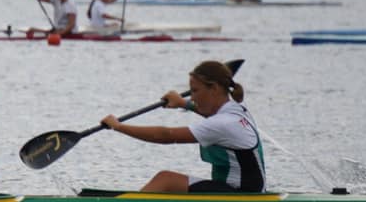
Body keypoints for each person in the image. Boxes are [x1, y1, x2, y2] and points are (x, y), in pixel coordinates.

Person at [100, 60, 265, 193]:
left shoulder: (223, 123)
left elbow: (166, 136)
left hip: (241, 194)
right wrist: (182, 103)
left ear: (214, 88)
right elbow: (212, 116)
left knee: (166, 180)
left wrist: (119, 126)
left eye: (195, 91)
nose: (192, 97)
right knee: (168, 180)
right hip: (246, 190)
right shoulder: (237, 110)